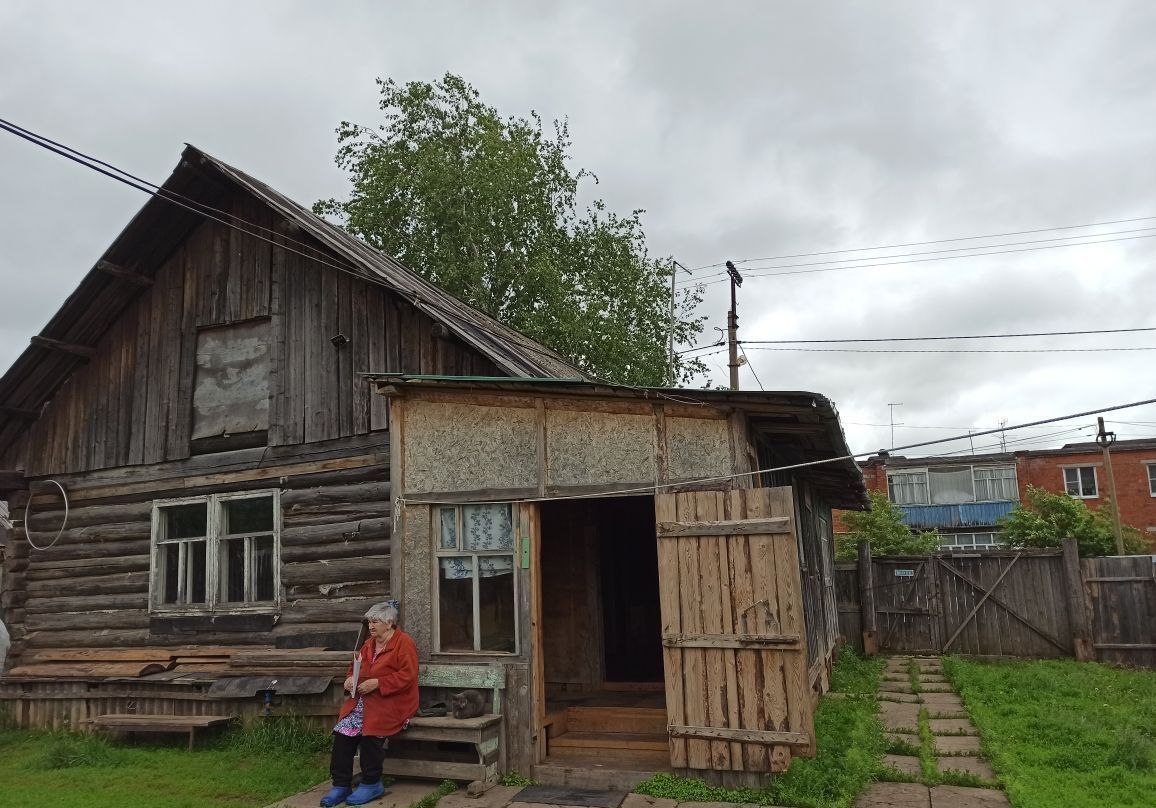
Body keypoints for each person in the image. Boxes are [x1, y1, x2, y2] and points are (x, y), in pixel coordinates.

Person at [320, 602, 419, 807]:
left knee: (371, 731)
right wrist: (349, 680)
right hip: (365, 700)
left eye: (375, 621)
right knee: (343, 733)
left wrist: (379, 683)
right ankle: (341, 785)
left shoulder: (404, 643)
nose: (371, 626)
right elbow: (353, 667)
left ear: (389, 623)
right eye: (369, 621)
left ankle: (372, 783)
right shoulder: (368, 644)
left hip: (393, 701)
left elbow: (408, 676)